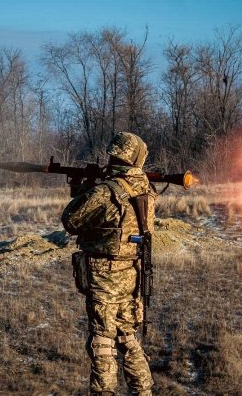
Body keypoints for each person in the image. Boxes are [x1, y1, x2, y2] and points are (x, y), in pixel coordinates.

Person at [62, 132, 156, 396]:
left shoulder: (105, 192)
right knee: (128, 337)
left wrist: (84, 189)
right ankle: (144, 391)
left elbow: (71, 221)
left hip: (104, 273)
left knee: (103, 340)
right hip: (132, 272)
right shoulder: (147, 188)